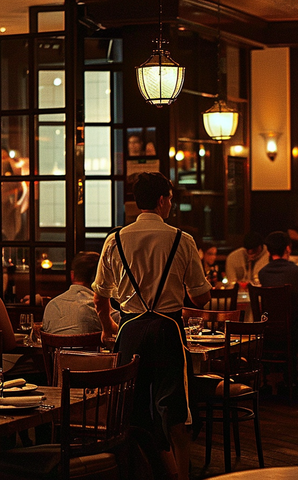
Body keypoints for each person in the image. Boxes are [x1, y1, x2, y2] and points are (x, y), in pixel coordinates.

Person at [92, 172, 211, 480]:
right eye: (170, 199)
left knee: (128, 410)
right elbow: (201, 297)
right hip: (166, 330)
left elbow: (100, 296)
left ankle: (134, 472)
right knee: (174, 412)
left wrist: (107, 326)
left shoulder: (115, 239)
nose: (170, 204)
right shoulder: (181, 239)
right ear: (162, 201)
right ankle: (181, 476)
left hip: (129, 330)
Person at [44, 251, 120, 335]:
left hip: (57, 348)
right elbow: (124, 331)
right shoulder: (100, 308)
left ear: (72, 276)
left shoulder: (51, 306)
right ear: (100, 278)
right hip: (92, 348)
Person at [258, 231, 298, 318]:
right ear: (288, 249)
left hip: (267, 327)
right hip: (293, 327)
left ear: (268, 252)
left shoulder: (262, 273)